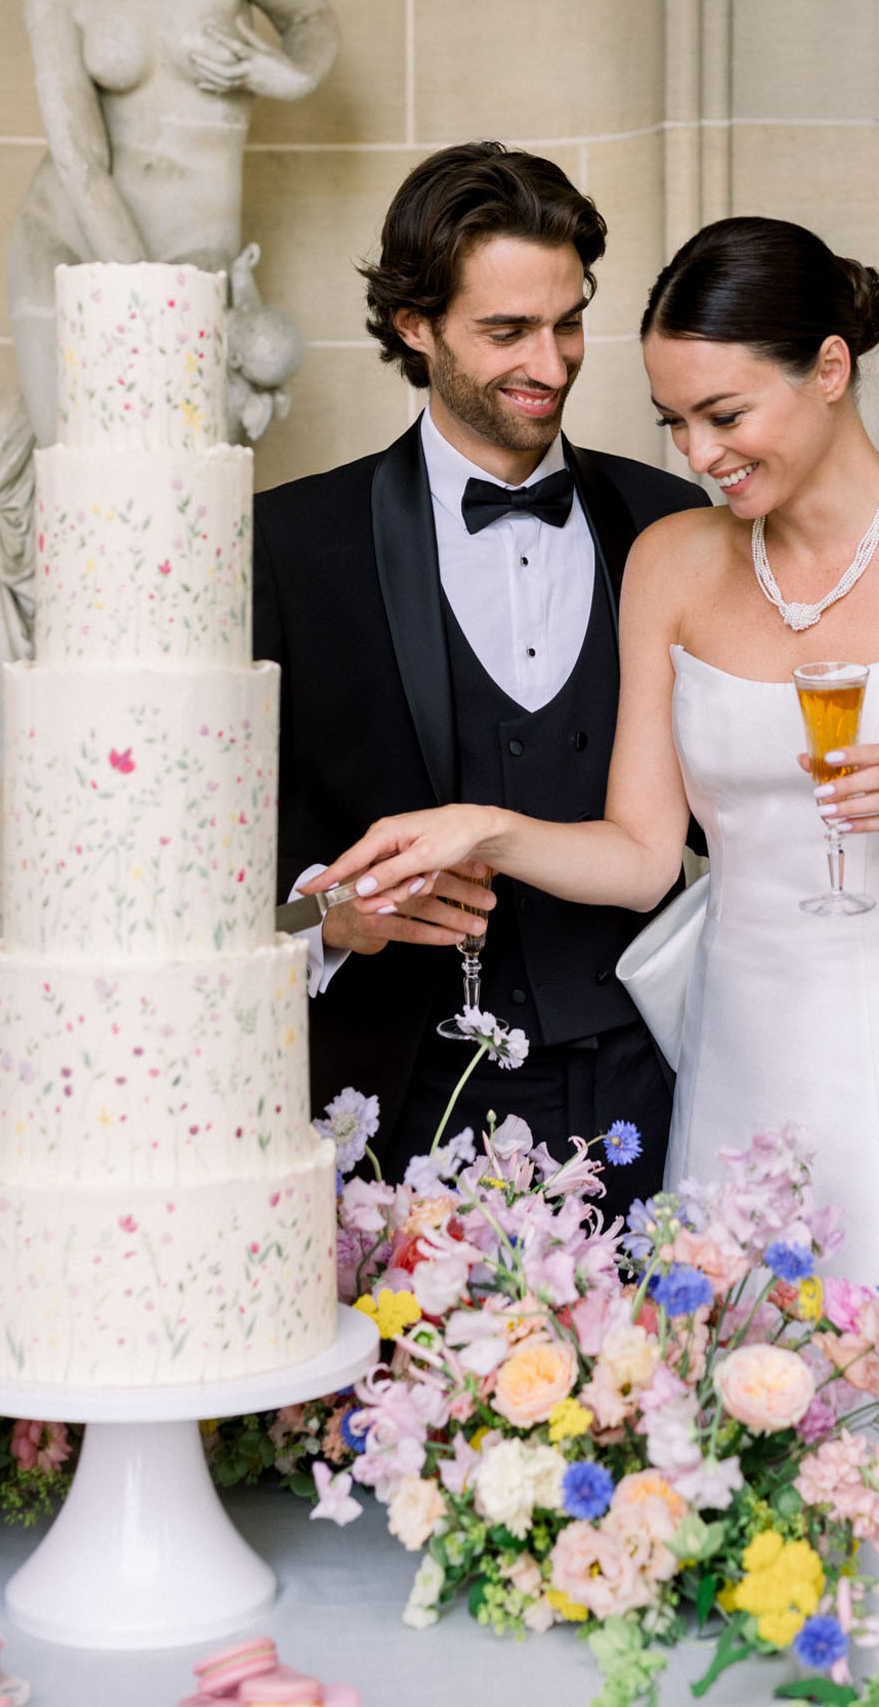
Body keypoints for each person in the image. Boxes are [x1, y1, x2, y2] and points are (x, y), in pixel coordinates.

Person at [313, 216, 879, 1704]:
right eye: (674, 420)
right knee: (754, 1414)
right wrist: (487, 824)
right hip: (747, 1063)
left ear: (828, 368)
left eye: (725, 415)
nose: (697, 454)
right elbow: (634, 854)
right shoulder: (678, 564)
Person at [251, 143, 707, 1213]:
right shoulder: (289, 541)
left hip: (657, 1078)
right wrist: (330, 921)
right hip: (405, 1094)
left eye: (569, 321)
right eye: (506, 331)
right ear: (417, 325)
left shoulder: (676, 523)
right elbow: (220, 860)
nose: (549, 363)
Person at [8, 0, 337, 446]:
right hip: (72, 233)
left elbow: (311, 20)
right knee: (68, 465)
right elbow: (80, 161)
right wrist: (146, 296)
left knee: (183, 473)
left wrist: (288, 76)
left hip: (196, 244)